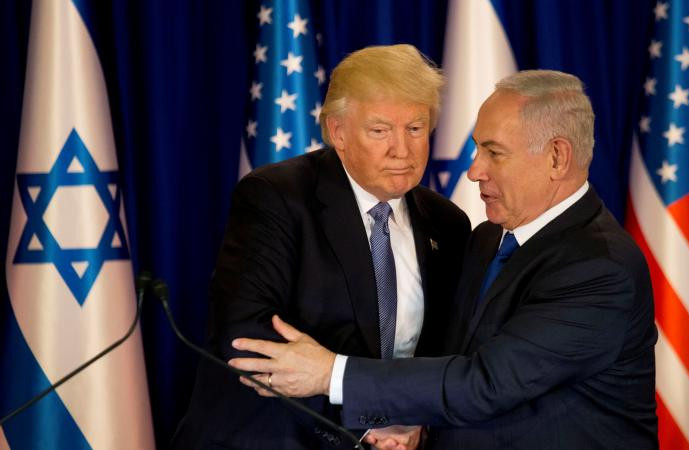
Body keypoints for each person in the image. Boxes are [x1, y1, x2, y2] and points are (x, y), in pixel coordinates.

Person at [229, 70, 659, 450]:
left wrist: (331, 374)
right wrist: (410, 421)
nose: (474, 171)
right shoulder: (487, 239)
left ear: (556, 157)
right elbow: (449, 362)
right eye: (476, 149)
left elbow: (485, 383)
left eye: (494, 152)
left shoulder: (600, 269)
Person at [171, 44, 470, 449]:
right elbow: (247, 337)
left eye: (415, 129)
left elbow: (445, 353)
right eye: (380, 130)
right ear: (338, 132)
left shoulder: (448, 224)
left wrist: (416, 419)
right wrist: (369, 421)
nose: (402, 149)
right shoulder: (277, 197)